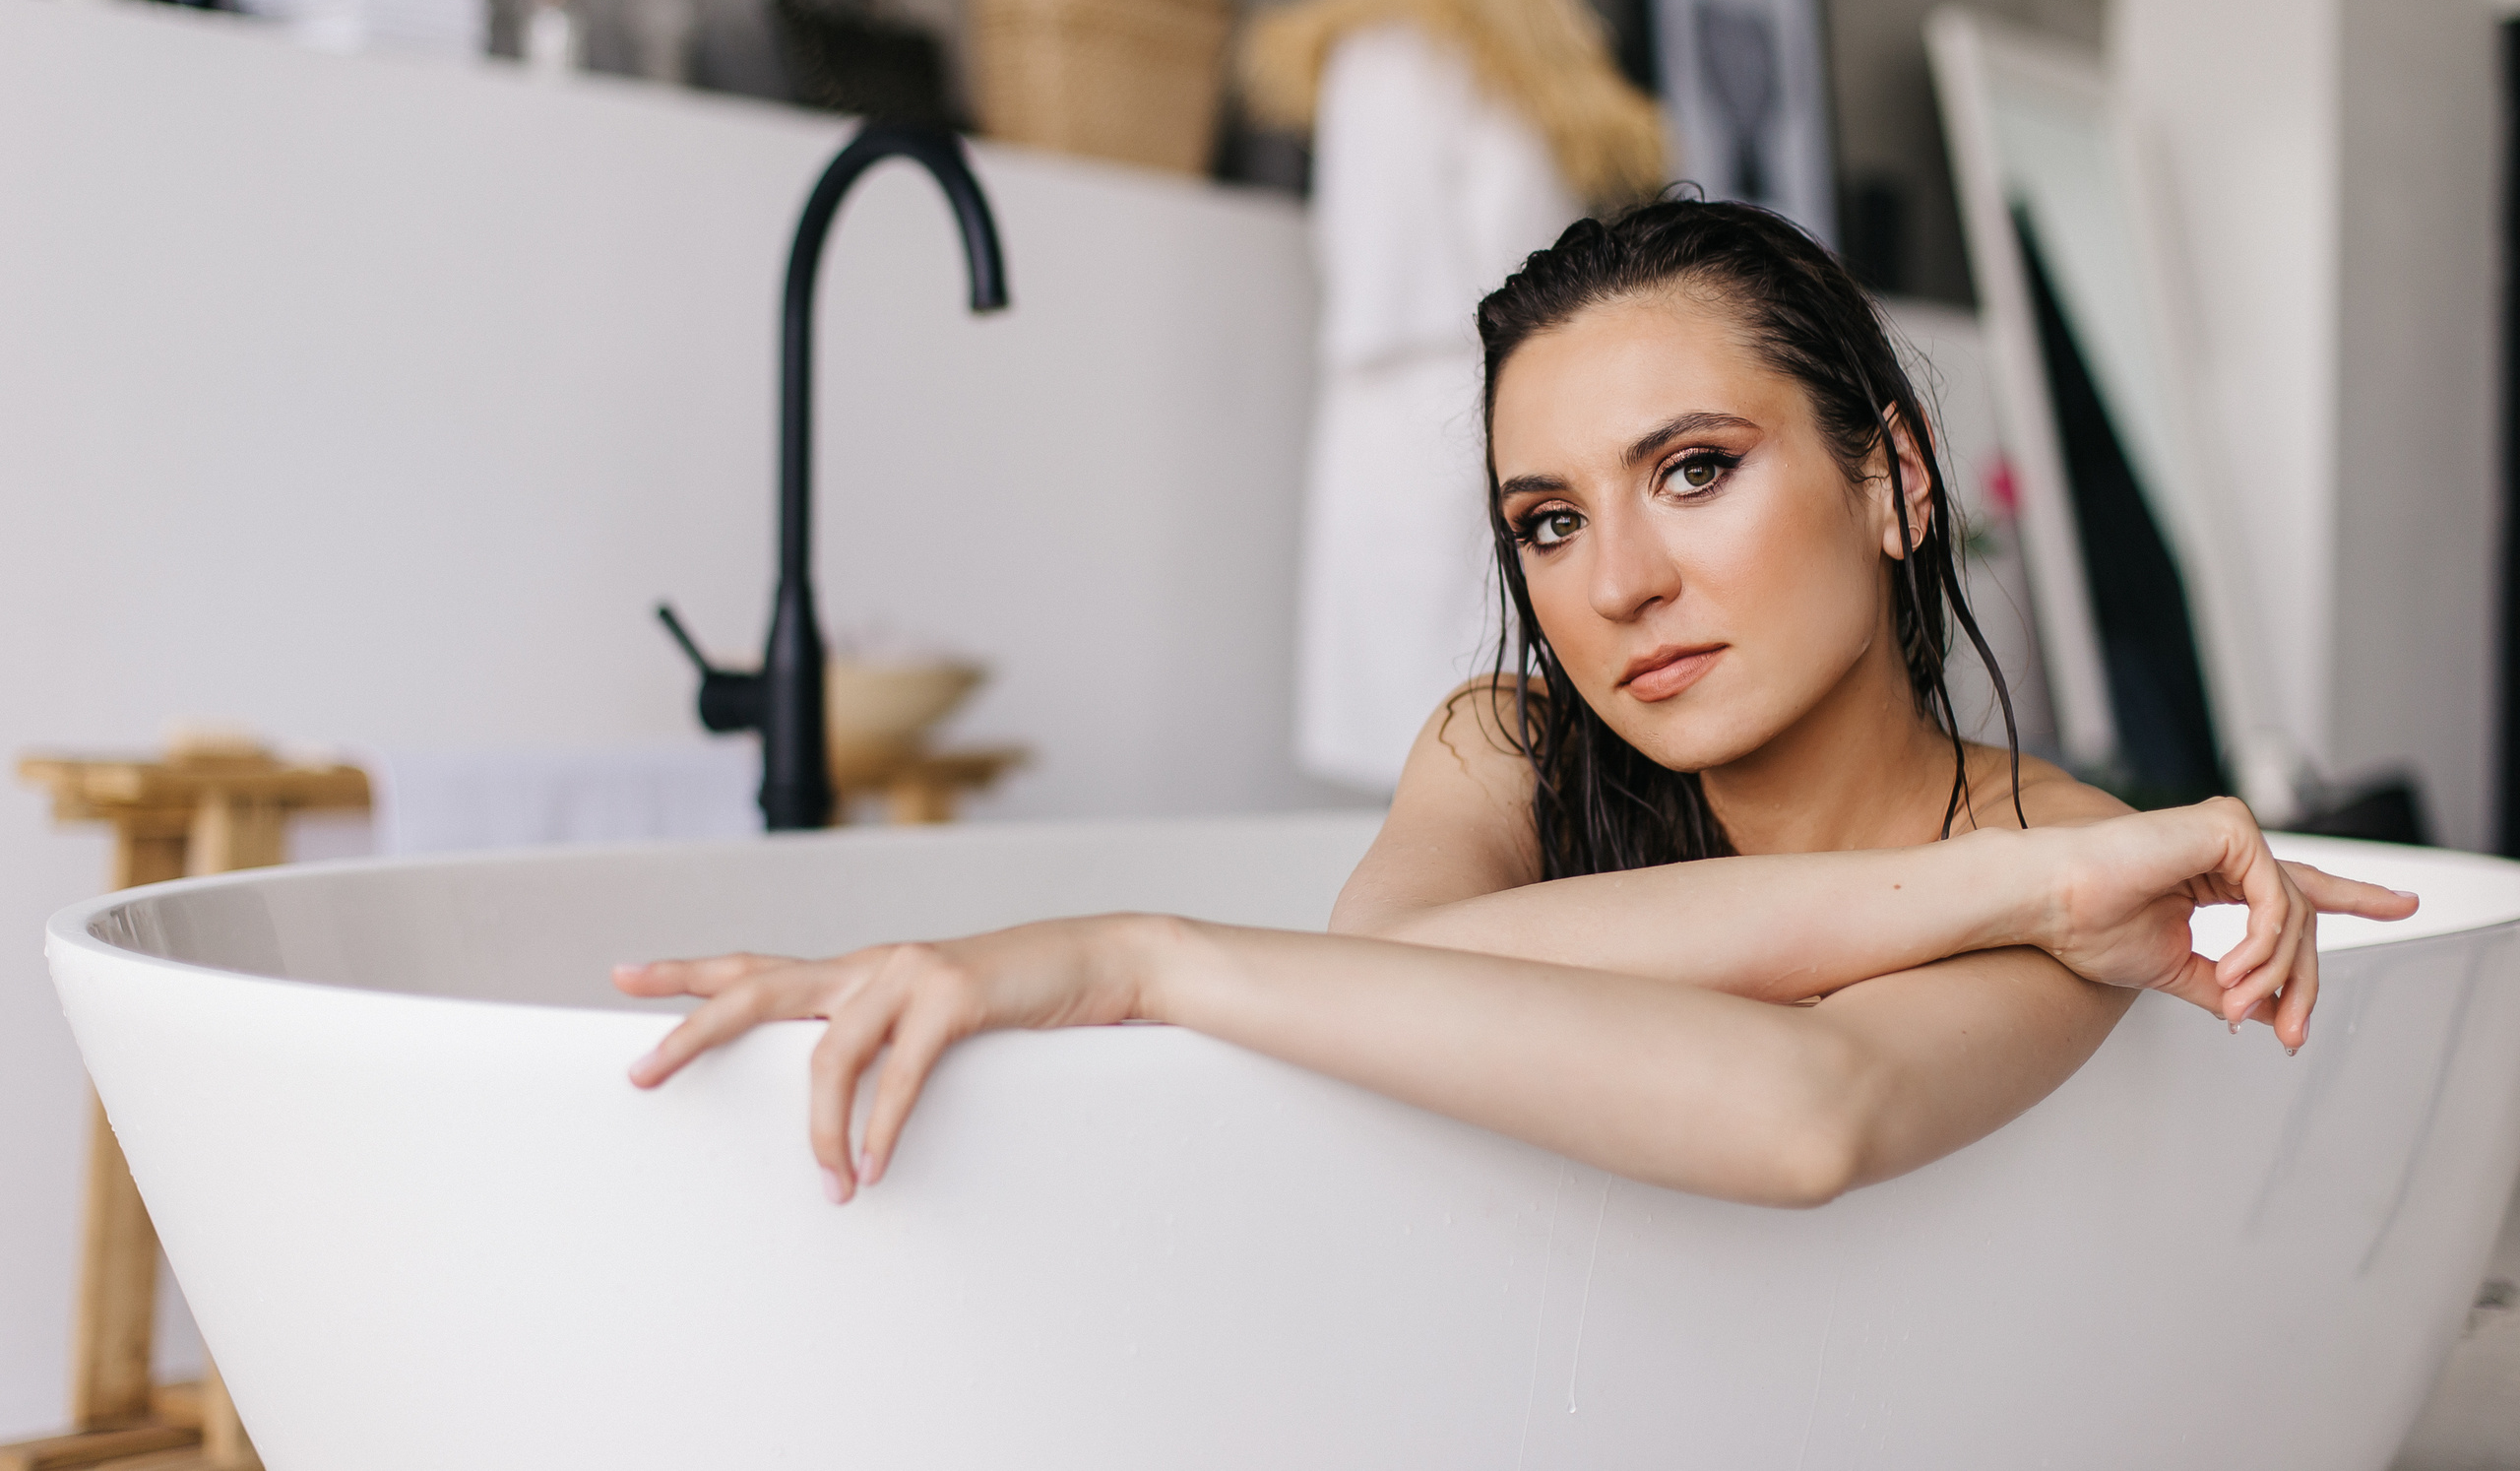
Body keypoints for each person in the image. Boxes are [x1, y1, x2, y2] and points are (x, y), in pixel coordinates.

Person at [616, 198, 2414, 1210]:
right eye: (1548, 521)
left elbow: (1811, 1117)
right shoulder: (1513, 742)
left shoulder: (2084, 866)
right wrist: (1134, 957)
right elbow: (1390, 971)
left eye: (1694, 471)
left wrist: (1137, 960)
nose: (1613, 583)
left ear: (1896, 481)